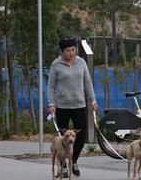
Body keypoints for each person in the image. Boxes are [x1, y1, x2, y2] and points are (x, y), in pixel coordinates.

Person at [47, 36, 98, 178]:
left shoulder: (81, 63)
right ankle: (63, 167)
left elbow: (87, 82)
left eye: (73, 50)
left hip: (79, 104)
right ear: (62, 51)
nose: (71, 53)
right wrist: (51, 103)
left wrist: (93, 99)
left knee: (80, 137)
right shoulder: (56, 65)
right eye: (68, 50)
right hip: (62, 105)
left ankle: (74, 160)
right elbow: (51, 86)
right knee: (62, 138)